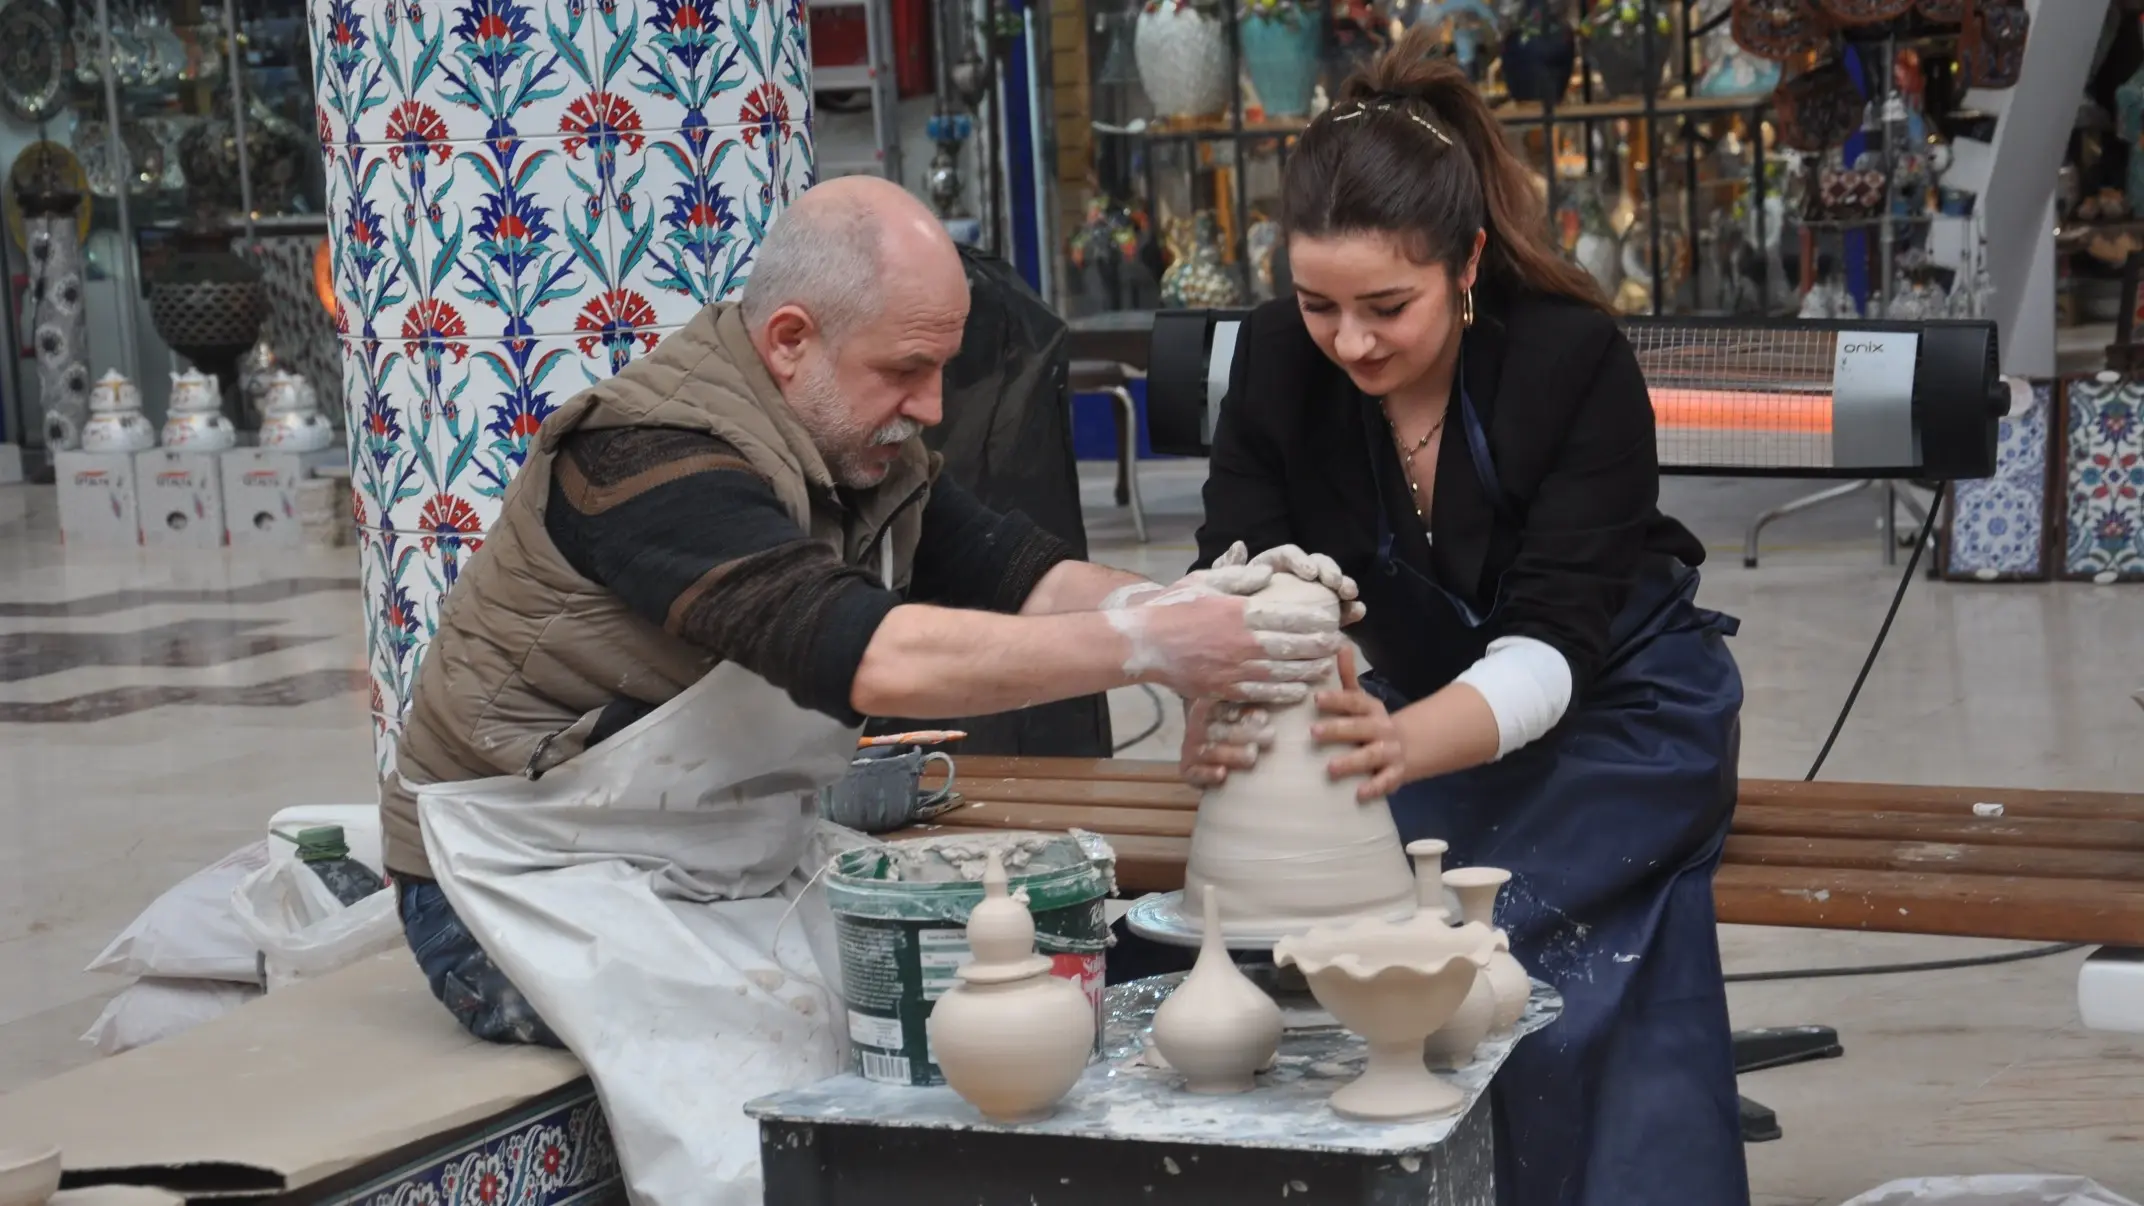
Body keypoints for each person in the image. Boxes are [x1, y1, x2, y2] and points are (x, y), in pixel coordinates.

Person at [380, 175, 1356, 1205]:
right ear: (790, 339)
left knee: (1036, 983)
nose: (931, 406)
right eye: (908, 369)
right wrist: (1154, 645)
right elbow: (864, 654)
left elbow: (1024, 579)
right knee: (787, 1108)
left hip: (722, 860)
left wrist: (1215, 606)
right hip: (518, 880)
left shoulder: (857, 447)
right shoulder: (644, 457)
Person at [1179, 29, 1747, 1206]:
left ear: (1468, 261)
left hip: (1622, 710)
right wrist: (1216, 690)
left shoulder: (1570, 358)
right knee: (1313, 922)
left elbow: (1550, 646)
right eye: (1317, 302)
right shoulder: (1280, 362)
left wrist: (1397, 743)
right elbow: (1227, 576)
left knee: (1465, 935)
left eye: (1386, 305)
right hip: (1414, 705)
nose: (1349, 340)